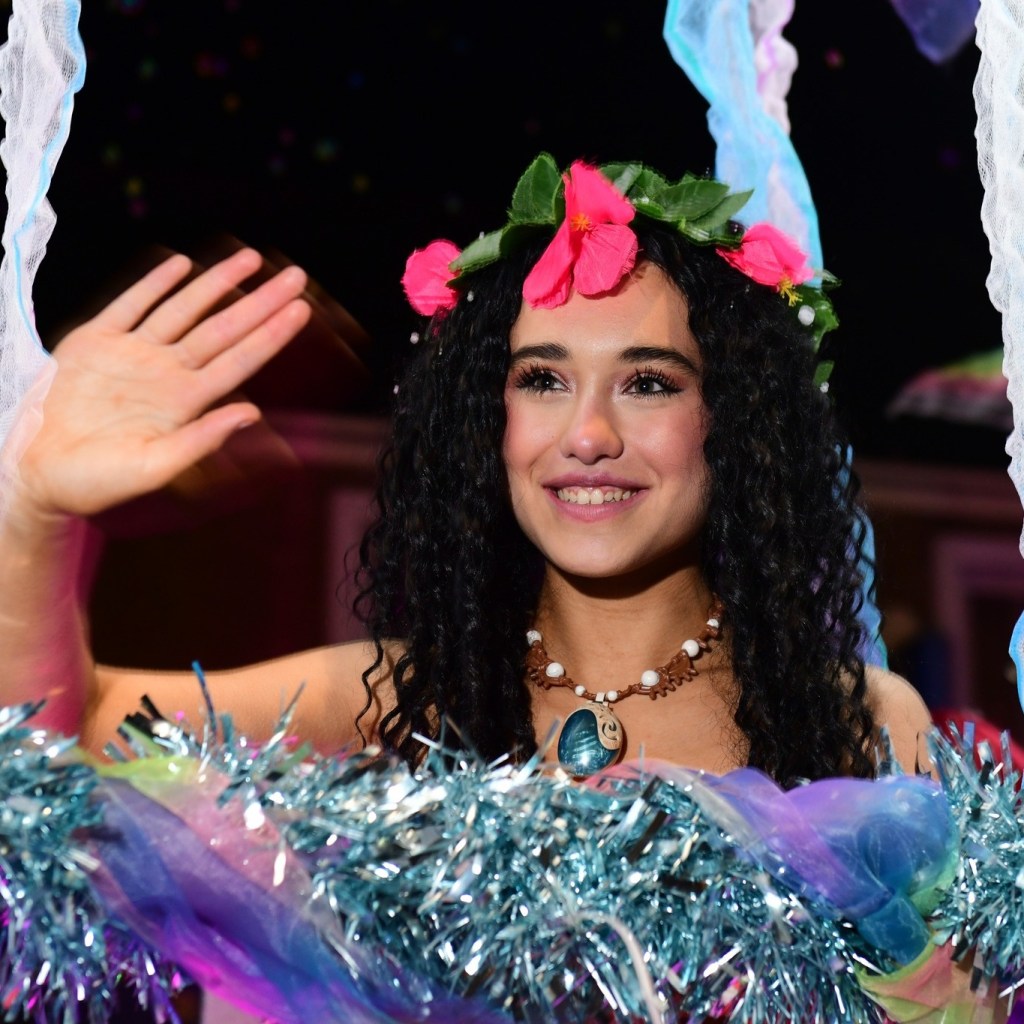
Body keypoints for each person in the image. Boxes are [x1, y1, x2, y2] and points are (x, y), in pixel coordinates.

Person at [0, 153, 931, 787]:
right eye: (542, 380)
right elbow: (57, 747)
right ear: (489, 421)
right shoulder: (382, 706)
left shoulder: (860, 727)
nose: (589, 433)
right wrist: (34, 516)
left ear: (738, 424)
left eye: (648, 382)